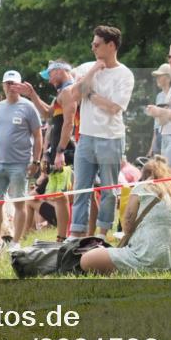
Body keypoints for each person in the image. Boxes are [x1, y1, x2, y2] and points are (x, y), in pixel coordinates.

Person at [65, 26, 135, 237]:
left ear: (111, 45)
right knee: (81, 189)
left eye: (97, 44)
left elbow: (114, 107)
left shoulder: (125, 74)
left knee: (109, 190)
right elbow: (73, 95)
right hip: (86, 136)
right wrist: (94, 70)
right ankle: (76, 234)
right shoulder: (88, 67)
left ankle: (103, 234)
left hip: (111, 138)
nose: (93, 48)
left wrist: (91, 95)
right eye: (92, 44)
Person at [79, 157, 171, 274]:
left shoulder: (141, 187)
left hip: (146, 257)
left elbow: (127, 228)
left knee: (87, 259)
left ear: (145, 175)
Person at [17, 59, 78, 242]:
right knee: (58, 196)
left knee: (61, 196)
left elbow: (68, 123)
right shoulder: (61, 93)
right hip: (59, 150)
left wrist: (59, 151)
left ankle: (63, 237)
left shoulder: (68, 91)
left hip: (66, 150)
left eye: (50, 75)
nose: (50, 80)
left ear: (60, 71)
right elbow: (47, 114)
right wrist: (32, 94)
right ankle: (62, 236)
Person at [0, 70, 43, 252]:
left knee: (19, 203)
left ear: (20, 85)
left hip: (20, 163)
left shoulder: (28, 107)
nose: (11, 86)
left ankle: (16, 242)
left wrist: (36, 161)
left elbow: (38, 136)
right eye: (7, 83)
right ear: (3, 85)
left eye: (14, 83)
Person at [147, 64, 171, 156]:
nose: (157, 78)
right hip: (159, 135)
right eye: (156, 76)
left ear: (168, 78)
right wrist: (152, 148)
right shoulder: (159, 96)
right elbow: (157, 125)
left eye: (160, 76)